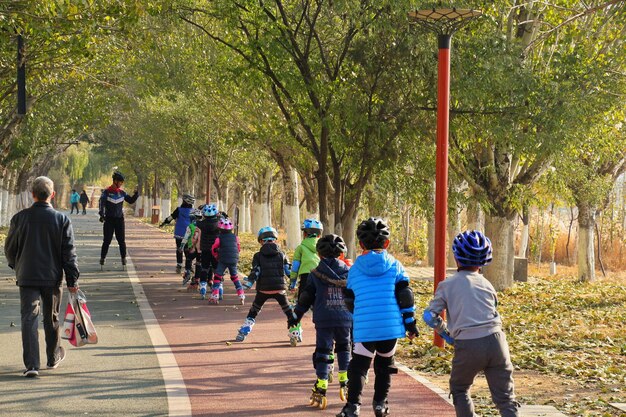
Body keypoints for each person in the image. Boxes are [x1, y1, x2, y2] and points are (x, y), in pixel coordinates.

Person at [423, 230, 519, 417]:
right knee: (506, 399)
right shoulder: (487, 285)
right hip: (497, 342)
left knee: (460, 388)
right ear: (484, 261)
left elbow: (429, 316)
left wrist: (446, 334)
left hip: (468, 344)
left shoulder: (447, 285)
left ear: (456, 258)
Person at [336, 217, 419, 417]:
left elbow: (349, 299)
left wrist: (360, 314)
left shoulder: (354, 269)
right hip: (390, 329)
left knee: (359, 367)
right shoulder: (396, 265)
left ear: (361, 244)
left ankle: (352, 407)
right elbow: (405, 296)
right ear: (387, 243)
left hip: (365, 328)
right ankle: (380, 404)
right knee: (385, 366)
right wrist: (410, 324)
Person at [4, 176, 80, 378]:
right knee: (51, 317)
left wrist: (17, 266)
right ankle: (53, 357)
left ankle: (31, 365)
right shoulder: (62, 220)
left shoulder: (19, 218)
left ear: (32, 194)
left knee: (29, 319)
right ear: (52, 195)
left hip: (27, 276)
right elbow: (68, 253)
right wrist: (72, 280)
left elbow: (10, 249)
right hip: (53, 277)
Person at [293, 234, 352, 410]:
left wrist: (296, 316)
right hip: (345, 318)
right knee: (343, 346)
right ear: (342, 254)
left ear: (319, 254)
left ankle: (322, 383)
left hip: (324, 318)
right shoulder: (350, 273)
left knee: (323, 351)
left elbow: (306, 297)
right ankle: (345, 380)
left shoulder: (315, 274)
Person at [235, 226, 297, 343]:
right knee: (288, 311)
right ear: (275, 240)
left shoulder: (258, 256)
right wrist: (293, 284)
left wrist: (249, 283)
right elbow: (289, 271)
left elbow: (256, 271)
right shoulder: (282, 254)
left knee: (254, 310)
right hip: (279, 289)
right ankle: (295, 332)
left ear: (261, 241)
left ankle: (244, 330)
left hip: (263, 289)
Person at [98, 171, 139, 269]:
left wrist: (136, 194)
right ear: (115, 181)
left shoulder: (122, 193)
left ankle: (123, 258)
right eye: (120, 182)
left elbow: (131, 200)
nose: (121, 184)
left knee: (121, 241)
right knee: (107, 240)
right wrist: (101, 214)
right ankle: (102, 257)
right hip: (109, 220)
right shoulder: (106, 192)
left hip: (119, 220)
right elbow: (101, 204)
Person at [210, 218, 245, 304]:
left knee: (217, 276)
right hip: (233, 259)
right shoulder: (235, 237)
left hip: (223, 259)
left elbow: (213, 248)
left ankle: (215, 295)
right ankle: (241, 294)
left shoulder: (219, 238)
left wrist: (216, 256)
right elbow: (238, 248)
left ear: (220, 229)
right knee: (235, 277)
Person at [159, 193, 195, 274]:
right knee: (188, 249)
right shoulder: (194, 211)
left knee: (179, 249)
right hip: (190, 233)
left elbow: (170, 218)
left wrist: (164, 223)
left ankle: (179, 265)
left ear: (184, 201)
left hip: (179, 232)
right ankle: (189, 266)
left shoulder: (179, 210)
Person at [289, 218, 323, 299]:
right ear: (319, 235)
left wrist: (292, 283)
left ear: (304, 234)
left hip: (306, 278)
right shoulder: (322, 248)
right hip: (320, 277)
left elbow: (295, 267)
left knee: (302, 303)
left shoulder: (300, 248)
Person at [195, 204, 221, 299]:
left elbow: (195, 221)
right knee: (217, 269)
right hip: (216, 250)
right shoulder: (219, 224)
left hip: (205, 249)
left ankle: (203, 287)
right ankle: (219, 288)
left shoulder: (201, 224)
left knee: (204, 268)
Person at [178, 208, 202, 290]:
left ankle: (188, 272)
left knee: (189, 259)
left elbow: (185, 237)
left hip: (192, 247)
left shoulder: (190, 226)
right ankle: (196, 281)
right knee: (199, 263)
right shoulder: (203, 226)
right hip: (201, 248)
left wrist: (181, 247)